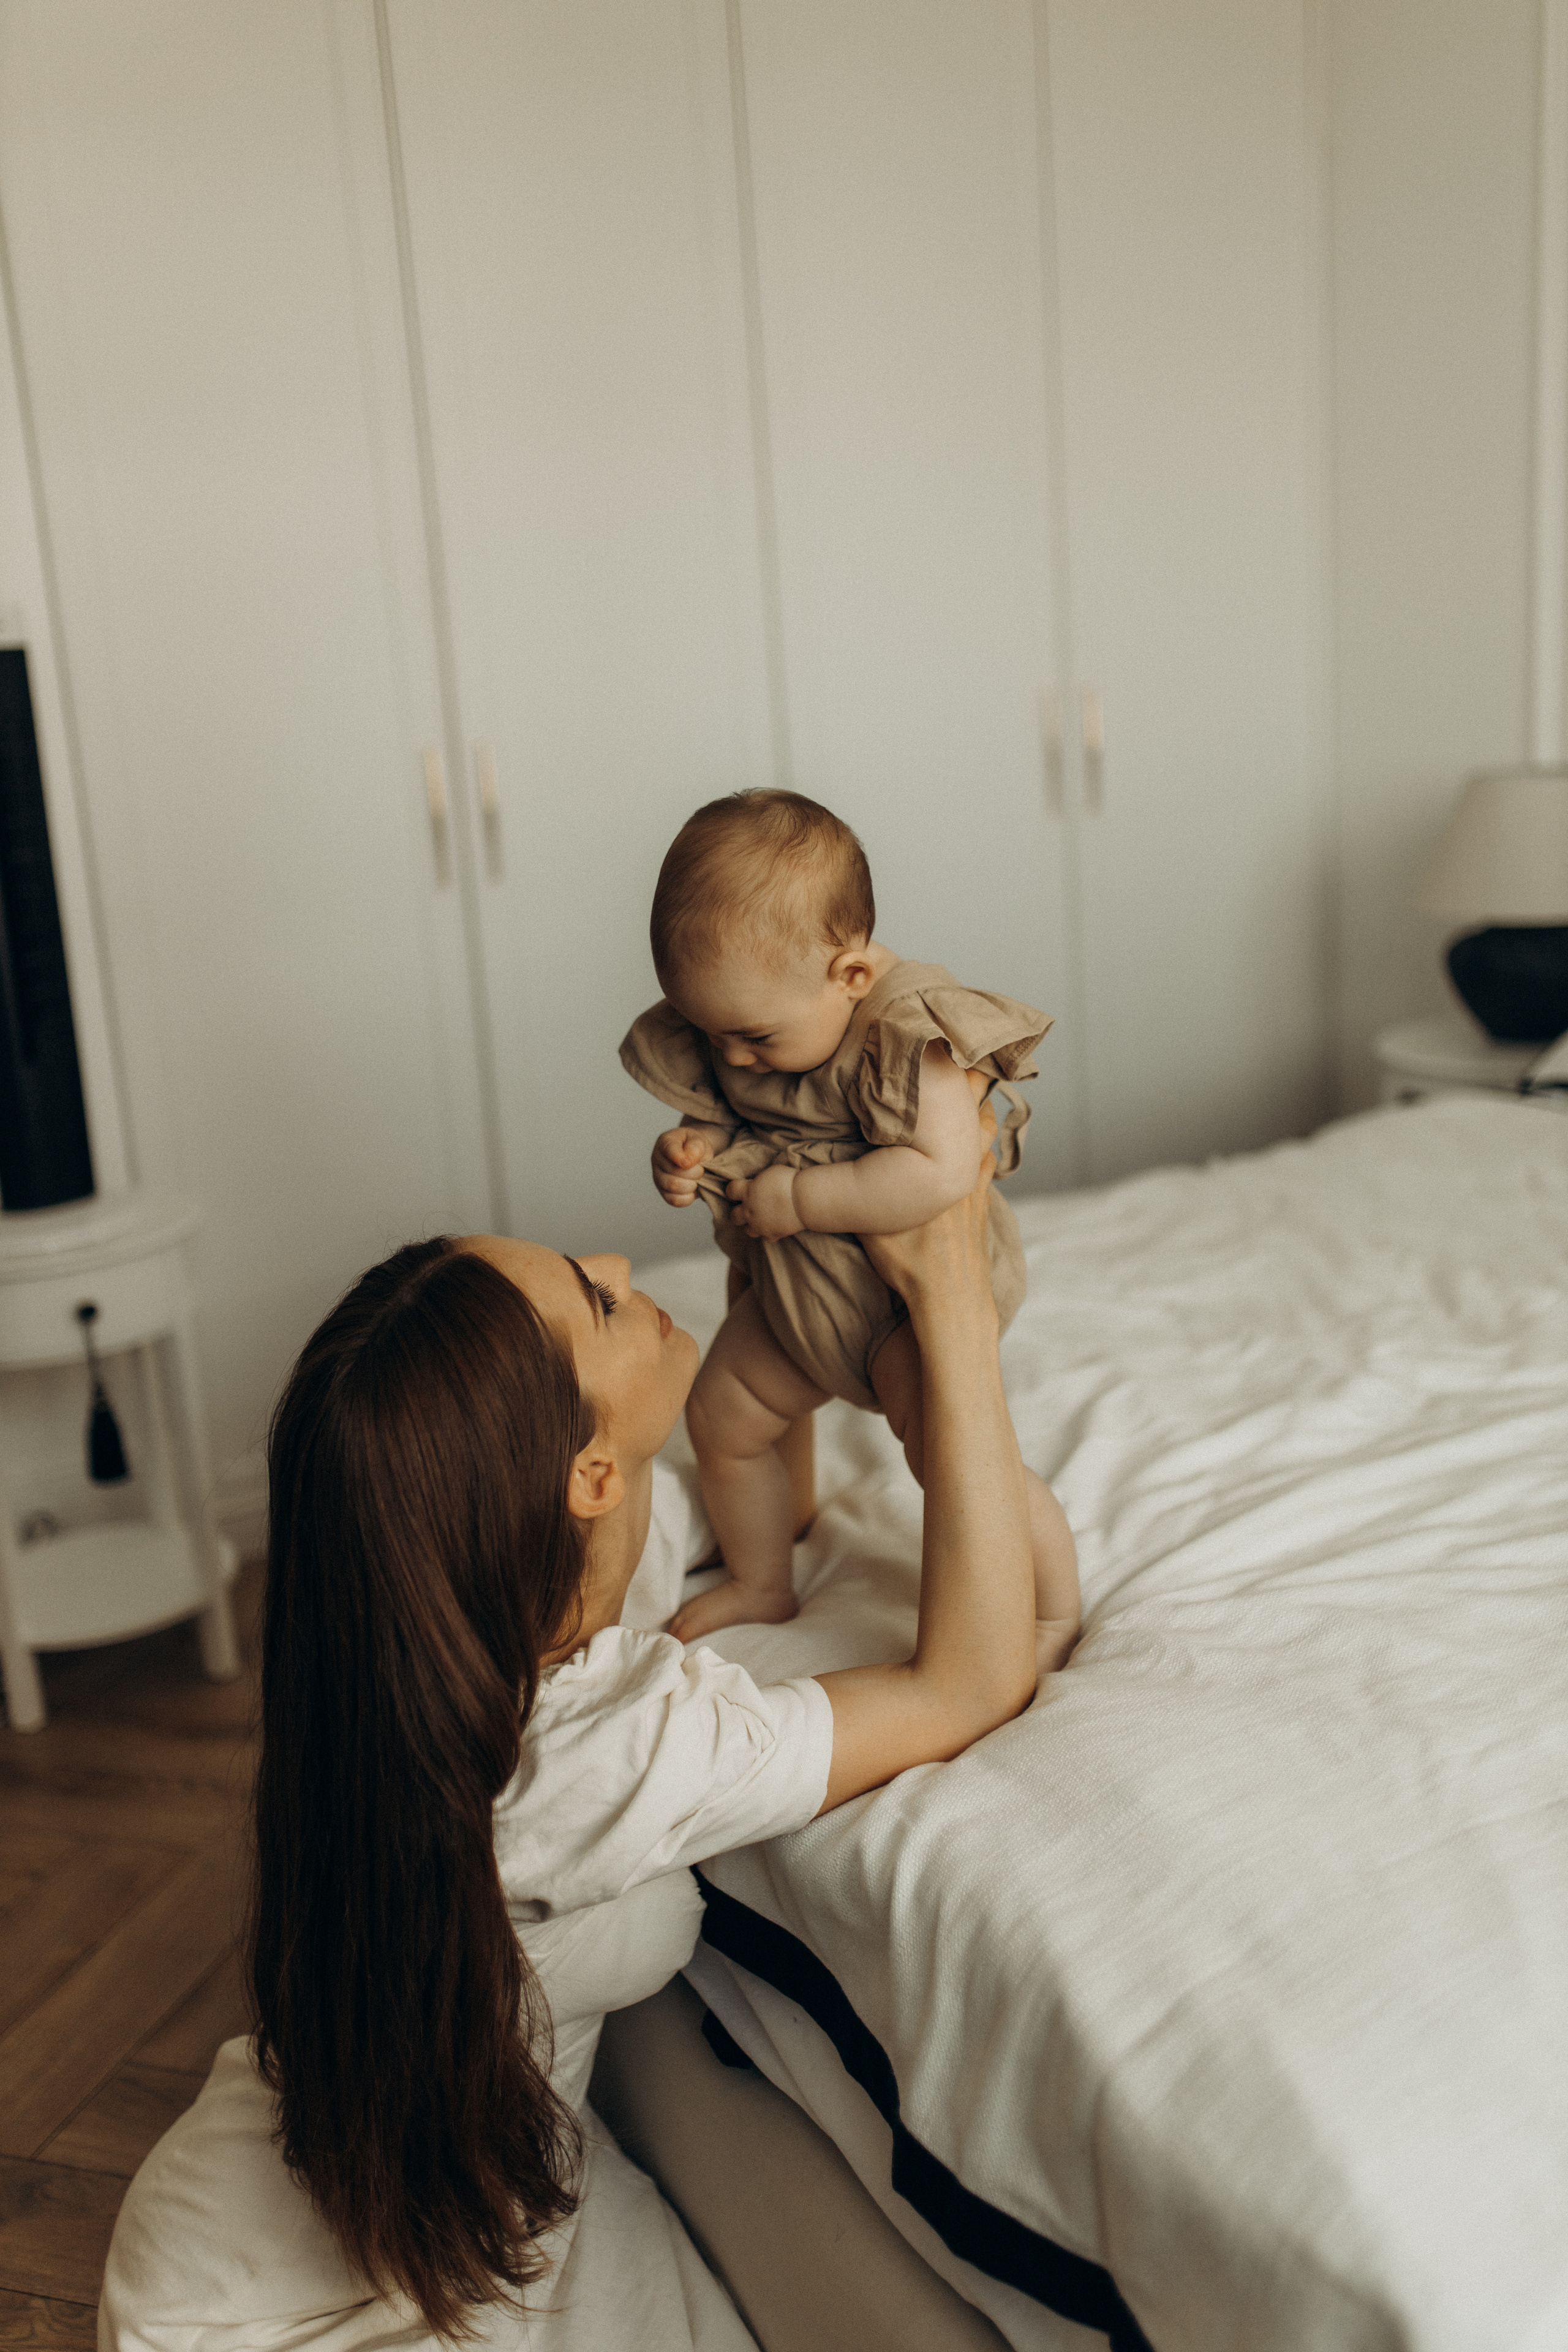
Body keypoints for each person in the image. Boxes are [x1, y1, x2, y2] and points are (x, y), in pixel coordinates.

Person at [99, 1113, 1042, 2352]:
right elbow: (969, 1681)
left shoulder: (471, 1610)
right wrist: (954, 1306)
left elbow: (774, 1508)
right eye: (596, 1306)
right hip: (258, 2312)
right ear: (585, 1474)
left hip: (245, 2228)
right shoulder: (596, 1752)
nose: (617, 1265)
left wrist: (773, 1270)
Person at [620, 787, 1080, 1657]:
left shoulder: (909, 1037)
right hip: (802, 1296)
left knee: (954, 1465)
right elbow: (733, 1114)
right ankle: (764, 1580)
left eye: (751, 1037)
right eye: (710, 1035)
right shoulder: (750, 1020)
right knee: (722, 1418)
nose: (732, 1057)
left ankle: (1053, 1603)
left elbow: (942, 1173)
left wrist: (799, 1200)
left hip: (907, 1309)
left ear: (852, 977)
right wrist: (688, 1153)